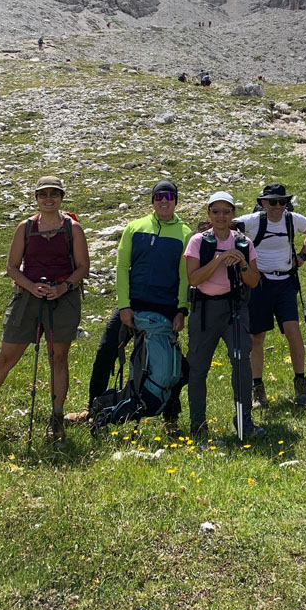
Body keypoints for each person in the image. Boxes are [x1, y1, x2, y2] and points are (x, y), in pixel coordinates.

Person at [0, 176, 89, 443]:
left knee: (58, 358)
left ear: (61, 197)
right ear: (37, 198)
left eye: (54, 193)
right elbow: (12, 266)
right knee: (6, 355)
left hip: (63, 299)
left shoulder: (73, 228)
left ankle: (57, 419)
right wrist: (31, 286)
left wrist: (62, 288)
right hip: (28, 298)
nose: (48, 198)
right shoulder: (25, 228)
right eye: (43, 194)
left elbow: (83, 267)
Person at [66, 180, 192, 435]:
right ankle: (93, 408)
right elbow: (122, 268)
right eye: (158, 197)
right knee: (105, 354)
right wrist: (124, 306)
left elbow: (185, 276)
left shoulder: (185, 233)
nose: (164, 201)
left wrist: (181, 309)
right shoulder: (134, 228)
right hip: (132, 306)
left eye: (169, 196)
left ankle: (171, 417)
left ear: (176, 200)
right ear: (152, 201)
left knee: (172, 364)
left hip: (166, 309)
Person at [184, 191, 263, 440]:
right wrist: (219, 260)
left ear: (233, 214)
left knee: (241, 363)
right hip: (204, 310)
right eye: (216, 211)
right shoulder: (198, 241)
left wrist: (240, 262)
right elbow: (193, 278)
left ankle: (244, 423)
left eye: (226, 212)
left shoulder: (243, 243)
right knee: (198, 368)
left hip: (235, 309)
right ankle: (198, 428)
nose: (221, 216)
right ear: (208, 213)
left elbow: (253, 280)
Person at [235, 183, 306, 408]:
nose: (277, 206)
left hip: (285, 283)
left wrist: (302, 256)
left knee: (293, 331)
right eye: (272, 202)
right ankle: (257, 390)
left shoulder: (292, 219)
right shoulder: (254, 221)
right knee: (257, 336)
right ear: (263, 203)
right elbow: (230, 229)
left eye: (282, 201)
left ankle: (301, 384)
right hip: (259, 283)